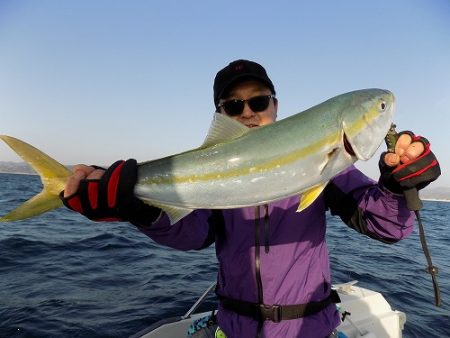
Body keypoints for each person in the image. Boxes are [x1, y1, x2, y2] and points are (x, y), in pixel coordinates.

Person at [61, 60, 441, 338]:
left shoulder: (331, 169)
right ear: (220, 115)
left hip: (309, 328)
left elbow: (387, 226)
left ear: (275, 105)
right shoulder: (212, 176)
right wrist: (138, 209)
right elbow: (192, 234)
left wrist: (395, 188)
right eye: (232, 106)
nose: (247, 112)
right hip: (234, 327)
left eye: (258, 102)